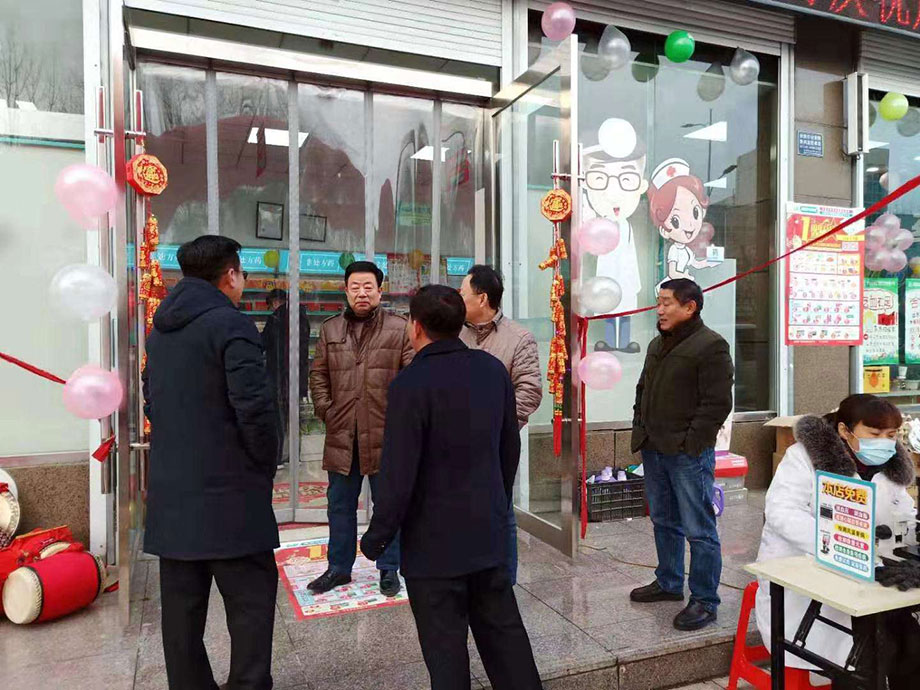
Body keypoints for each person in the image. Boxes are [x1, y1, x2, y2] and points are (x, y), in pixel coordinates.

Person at [361, 285, 542, 690]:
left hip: (433, 548)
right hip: (487, 534)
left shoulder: (409, 385)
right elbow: (508, 448)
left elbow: (398, 474)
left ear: (415, 327)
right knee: (506, 641)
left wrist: (377, 537)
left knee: (445, 654)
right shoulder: (491, 371)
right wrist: (496, 501)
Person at [143, 235, 279, 690]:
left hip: (172, 499)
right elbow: (255, 410)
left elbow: (151, 399)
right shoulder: (232, 326)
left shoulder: (159, 332)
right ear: (230, 275)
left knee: (181, 618)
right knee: (250, 610)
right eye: (242, 273)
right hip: (231, 501)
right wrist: (263, 467)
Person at [755, 395, 920, 690]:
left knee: (909, 643)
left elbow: (903, 512)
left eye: (891, 435)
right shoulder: (802, 458)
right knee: (860, 658)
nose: (884, 443)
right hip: (807, 576)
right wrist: (840, 541)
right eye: (874, 434)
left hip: (871, 577)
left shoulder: (891, 467)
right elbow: (782, 512)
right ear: (845, 430)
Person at [630, 278, 733, 631]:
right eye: (658, 302)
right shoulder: (658, 343)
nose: (659, 309)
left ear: (690, 307)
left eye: (667, 303)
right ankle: (669, 581)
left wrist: (692, 443)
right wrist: (640, 428)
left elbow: (717, 404)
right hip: (654, 448)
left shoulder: (711, 346)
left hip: (688, 454)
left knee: (699, 528)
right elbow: (642, 389)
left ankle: (704, 600)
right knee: (663, 520)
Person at [308, 260, 413, 597]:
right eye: (355, 287)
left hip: (385, 434)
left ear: (380, 291)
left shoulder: (399, 328)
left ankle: (389, 568)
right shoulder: (331, 329)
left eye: (368, 287)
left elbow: (412, 378)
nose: (362, 293)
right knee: (339, 505)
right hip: (342, 434)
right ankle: (339, 568)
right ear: (346, 291)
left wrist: (401, 421)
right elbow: (318, 375)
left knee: (387, 505)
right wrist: (326, 410)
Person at [459, 264, 541, 585]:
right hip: (455, 444)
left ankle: (503, 583)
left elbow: (529, 392)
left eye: (462, 292)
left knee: (500, 512)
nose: (458, 297)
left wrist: (496, 430)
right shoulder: (454, 333)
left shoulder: (519, 339)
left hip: (495, 446)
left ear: (481, 298)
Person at [583, 118, 649, 354]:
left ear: (641, 185)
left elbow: (630, 252)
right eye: (600, 179)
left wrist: (634, 279)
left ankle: (624, 341)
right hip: (607, 275)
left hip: (626, 276)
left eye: (626, 180)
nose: (613, 193)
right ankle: (611, 341)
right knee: (610, 309)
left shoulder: (626, 226)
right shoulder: (599, 224)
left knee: (625, 309)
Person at [647, 158, 718, 290]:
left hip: (681, 288)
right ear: (664, 230)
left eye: (695, 213)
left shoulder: (687, 251)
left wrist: (710, 261)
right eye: (675, 221)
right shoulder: (674, 250)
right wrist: (685, 277)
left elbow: (696, 264)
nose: (690, 226)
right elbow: (672, 272)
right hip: (671, 288)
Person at [261, 288, 310, 466]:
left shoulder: (275, 319)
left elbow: (263, 343)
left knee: (279, 420)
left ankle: (279, 457)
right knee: (295, 418)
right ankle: (295, 456)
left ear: (275, 301)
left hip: (279, 378)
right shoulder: (302, 317)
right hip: (298, 377)